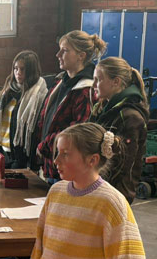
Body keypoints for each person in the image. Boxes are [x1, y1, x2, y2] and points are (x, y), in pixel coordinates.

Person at [14, 122, 145, 259]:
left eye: (65, 154)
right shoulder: (56, 192)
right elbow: (41, 245)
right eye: (57, 153)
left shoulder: (110, 203)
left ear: (92, 160)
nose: (56, 161)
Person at [32, 31, 104, 180]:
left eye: (64, 51)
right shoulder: (61, 82)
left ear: (81, 56)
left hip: (68, 169)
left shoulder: (85, 90)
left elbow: (76, 133)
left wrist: (45, 146)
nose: (58, 55)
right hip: (50, 164)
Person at [90, 57, 150, 203]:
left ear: (115, 82)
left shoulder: (130, 117)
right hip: (97, 187)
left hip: (114, 194)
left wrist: (96, 184)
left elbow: (122, 165)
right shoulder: (103, 109)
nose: (94, 85)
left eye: (98, 79)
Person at [0, 50, 48, 170]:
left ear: (31, 71)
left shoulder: (39, 95)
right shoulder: (9, 91)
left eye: (22, 69)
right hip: (3, 150)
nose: (18, 73)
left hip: (21, 155)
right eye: (15, 68)